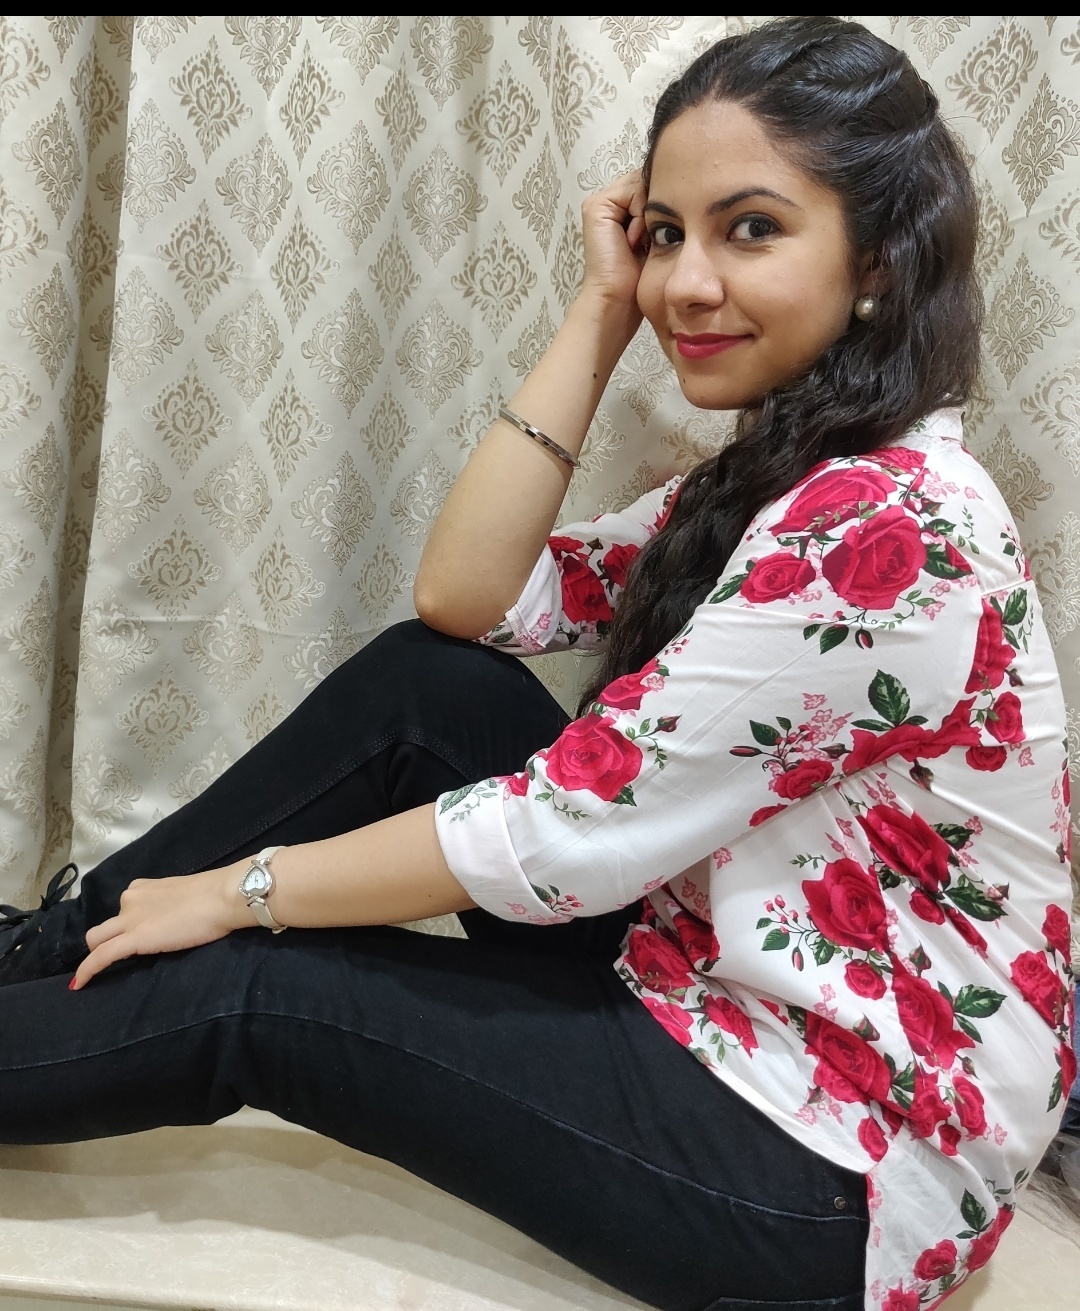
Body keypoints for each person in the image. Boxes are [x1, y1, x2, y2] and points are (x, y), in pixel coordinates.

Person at [0, 15, 1073, 1311]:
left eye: (751, 229)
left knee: (257, 990)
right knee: (428, 686)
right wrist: (600, 309)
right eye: (665, 234)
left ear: (881, 262)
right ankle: (49, 952)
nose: (686, 282)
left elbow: (561, 833)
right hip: (707, 980)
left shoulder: (885, 527)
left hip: (837, 1163)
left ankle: (55, 970)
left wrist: (239, 892)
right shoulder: (789, 479)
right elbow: (472, 600)